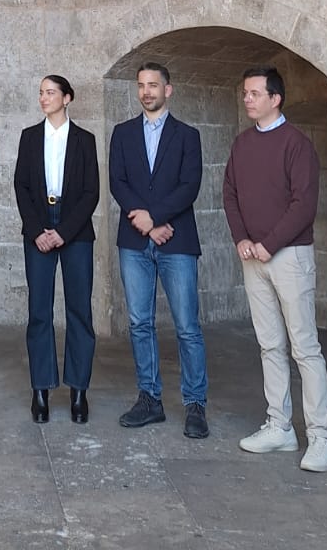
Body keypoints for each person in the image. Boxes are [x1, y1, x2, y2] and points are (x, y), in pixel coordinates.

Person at [223, 65, 327, 473]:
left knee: (305, 347)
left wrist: (268, 244)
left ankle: (321, 437)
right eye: (245, 93)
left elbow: (303, 205)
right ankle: (280, 426)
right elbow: (230, 194)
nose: (248, 99)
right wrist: (242, 239)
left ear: (276, 98)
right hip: (253, 257)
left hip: (289, 257)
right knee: (270, 345)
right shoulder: (242, 144)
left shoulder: (297, 145)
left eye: (255, 93)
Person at [109, 60, 209, 438]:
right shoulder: (122, 133)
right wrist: (147, 223)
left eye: (153, 85)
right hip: (135, 241)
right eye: (141, 85)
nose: (146, 91)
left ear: (168, 90)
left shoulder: (187, 135)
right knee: (139, 323)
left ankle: (195, 404)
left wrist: (156, 218)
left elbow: (189, 185)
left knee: (187, 327)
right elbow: (117, 181)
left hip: (177, 239)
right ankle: (150, 399)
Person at [13, 74, 100, 423]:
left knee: (79, 310)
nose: (44, 98)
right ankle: (41, 390)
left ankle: (79, 391)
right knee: (39, 311)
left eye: (50, 92)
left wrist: (63, 231)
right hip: (38, 226)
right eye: (41, 92)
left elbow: (91, 192)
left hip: (75, 228)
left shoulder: (84, 140)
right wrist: (38, 231)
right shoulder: (29, 137)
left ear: (67, 98)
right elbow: (21, 186)